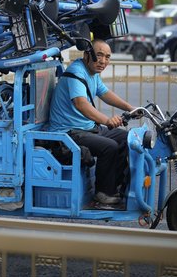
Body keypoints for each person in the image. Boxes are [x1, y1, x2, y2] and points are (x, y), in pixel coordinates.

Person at [48, 39, 135, 205]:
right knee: (109, 147)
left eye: (107, 57)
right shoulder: (77, 72)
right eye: (99, 55)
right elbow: (81, 104)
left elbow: (105, 93)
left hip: (86, 128)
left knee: (125, 138)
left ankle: (113, 187)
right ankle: (102, 192)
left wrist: (130, 107)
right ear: (87, 55)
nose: (103, 61)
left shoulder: (92, 73)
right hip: (68, 132)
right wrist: (107, 120)